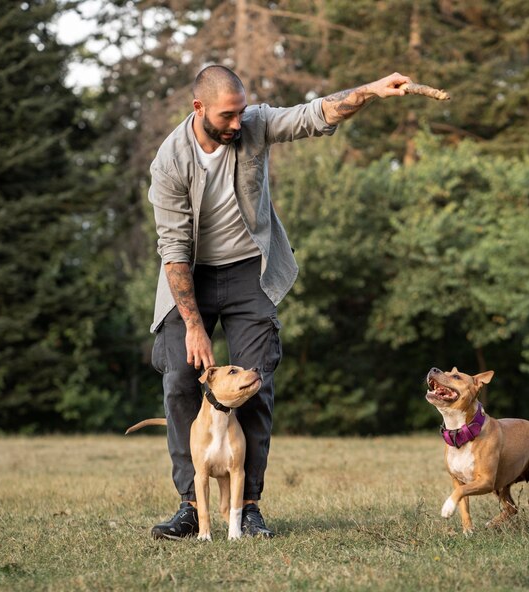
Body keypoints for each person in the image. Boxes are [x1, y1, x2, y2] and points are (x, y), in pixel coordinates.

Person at [147, 65, 412, 539]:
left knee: (255, 383)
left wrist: (370, 90)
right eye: (227, 116)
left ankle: (247, 507)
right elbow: (173, 250)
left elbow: (314, 114)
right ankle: (192, 504)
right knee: (182, 382)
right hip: (190, 277)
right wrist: (193, 325)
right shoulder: (170, 162)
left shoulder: (254, 124)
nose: (236, 124)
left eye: (241, 113)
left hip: (251, 271)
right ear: (199, 108)